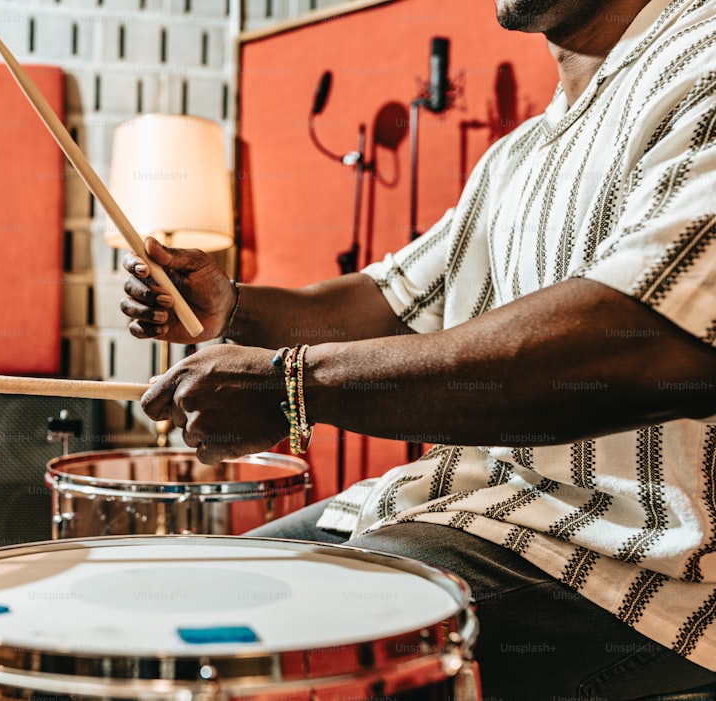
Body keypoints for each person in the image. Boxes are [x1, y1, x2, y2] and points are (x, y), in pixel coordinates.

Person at [120, 0, 716, 698]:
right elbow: (389, 304)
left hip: (645, 572)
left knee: (261, 651)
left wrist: (292, 387)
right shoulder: (520, 153)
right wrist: (235, 307)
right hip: (478, 511)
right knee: (188, 598)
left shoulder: (701, 55)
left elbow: (635, 343)